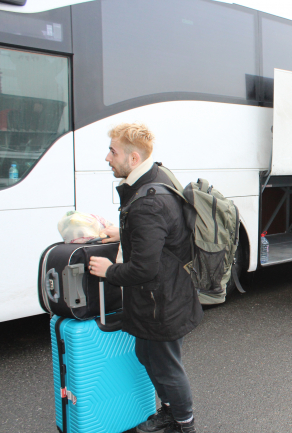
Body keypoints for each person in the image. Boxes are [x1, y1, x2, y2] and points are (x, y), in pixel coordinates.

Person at [89, 123, 203, 433]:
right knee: (145, 353)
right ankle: (170, 409)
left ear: (134, 157)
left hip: (161, 299)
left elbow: (144, 268)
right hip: (162, 293)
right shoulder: (156, 176)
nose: (107, 157)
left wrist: (108, 271)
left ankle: (183, 423)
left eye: (113, 151)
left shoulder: (147, 203)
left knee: (166, 364)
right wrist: (122, 233)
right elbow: (162, 232)